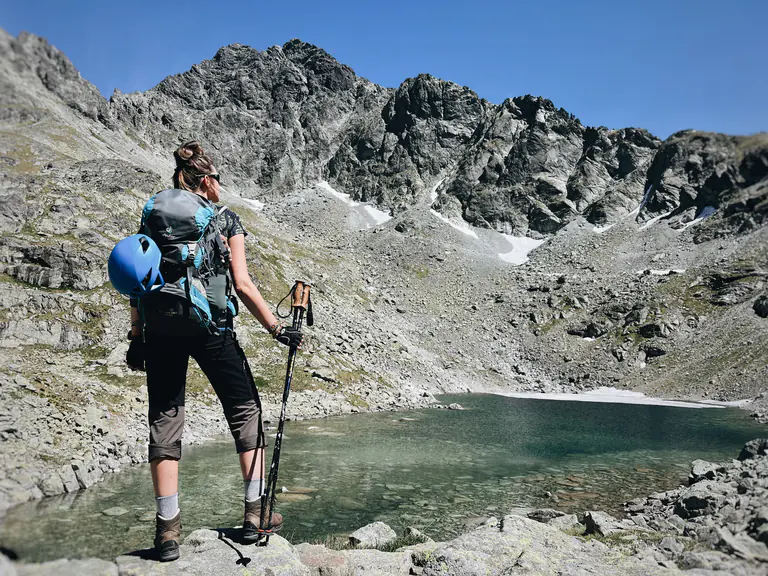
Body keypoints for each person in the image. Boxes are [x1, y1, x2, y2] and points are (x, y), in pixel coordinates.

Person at [124, 141, 302, 562]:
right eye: (218, 178)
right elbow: (241, 283)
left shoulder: (152, 217)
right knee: (245, 412)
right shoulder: (225, 219)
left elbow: (136, 274)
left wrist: (137, 336)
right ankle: (255, 515)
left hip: (161, 329)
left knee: (165, 420)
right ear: (207, 181)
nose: (222, 185)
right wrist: (277, 329)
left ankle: (168, 533)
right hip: (213, 329)